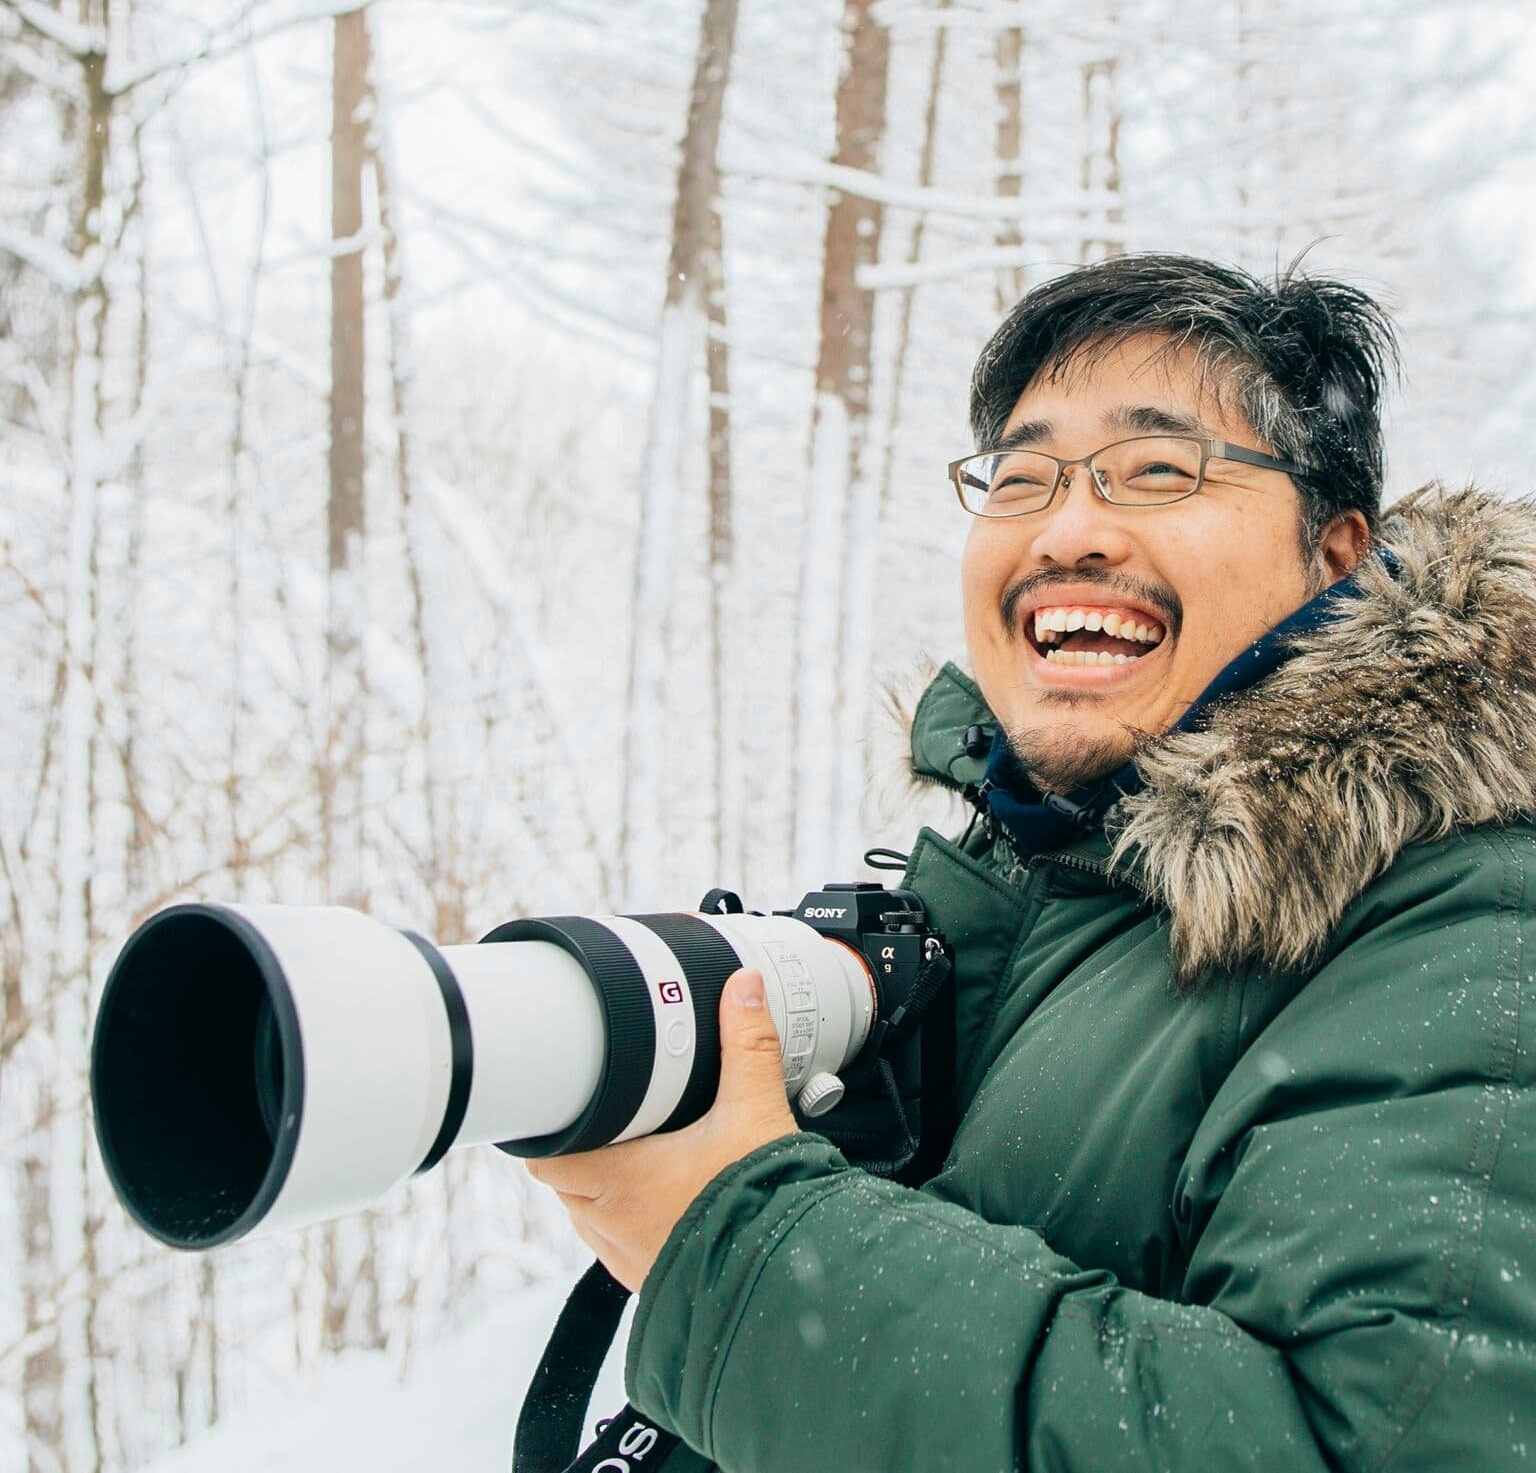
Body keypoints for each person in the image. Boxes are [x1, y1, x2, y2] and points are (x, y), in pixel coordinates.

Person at [527, 254, 1536, 1471]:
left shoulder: (1473, 923)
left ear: (1335, 554)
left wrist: (746, 1259)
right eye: (1020, 479)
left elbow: (1369, 1440)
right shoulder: (1041, 889)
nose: (1068, 530)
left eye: (1156, 470)